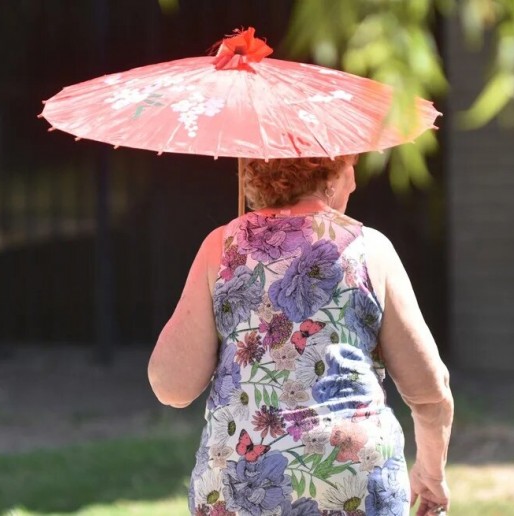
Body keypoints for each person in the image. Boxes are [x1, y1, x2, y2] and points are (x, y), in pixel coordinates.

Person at [148, 154, 453, 516]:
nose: (354, 183)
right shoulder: (370, 248)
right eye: (351, 166)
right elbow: (430, 389)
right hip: (354, 479)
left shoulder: (221, 246)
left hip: (242, 488)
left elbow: (172, 386)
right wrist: (431, 473)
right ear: (332, 171)